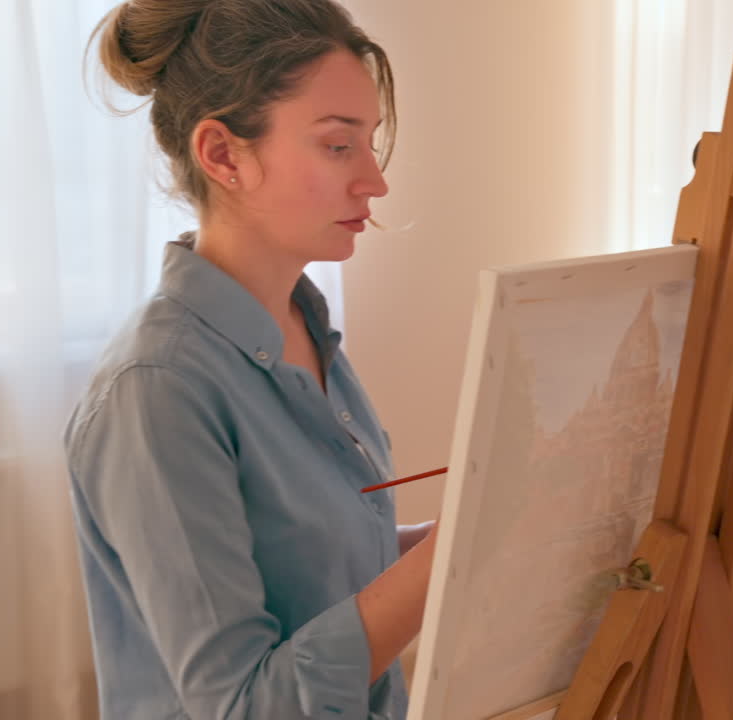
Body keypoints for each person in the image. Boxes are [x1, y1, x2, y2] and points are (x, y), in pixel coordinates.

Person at [63, 1, 435, 717]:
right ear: (224, 155)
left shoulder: (303, 325)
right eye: (337, 146)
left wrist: (455, 539)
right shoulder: (159, 392)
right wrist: (431, 571)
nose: (374, 181)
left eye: (370, 143)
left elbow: (306, 557)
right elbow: (242, 705)